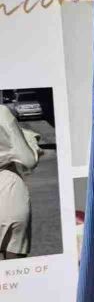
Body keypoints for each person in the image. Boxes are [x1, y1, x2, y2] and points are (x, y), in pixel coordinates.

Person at [0, 104, 41, 259]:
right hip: (8, 192)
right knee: (16, 267)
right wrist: (31, 142)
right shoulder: (2, 112)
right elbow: (28, 160)